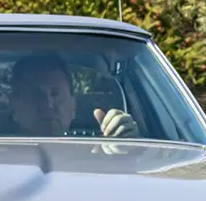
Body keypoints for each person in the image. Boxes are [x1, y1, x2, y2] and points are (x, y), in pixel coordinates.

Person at [8, 52, 138, 138]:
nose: (48, 104)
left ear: (73, 106)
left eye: (56, 94)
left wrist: (130, 145)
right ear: (14, 107)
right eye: (35, 95)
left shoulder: (101, 156)